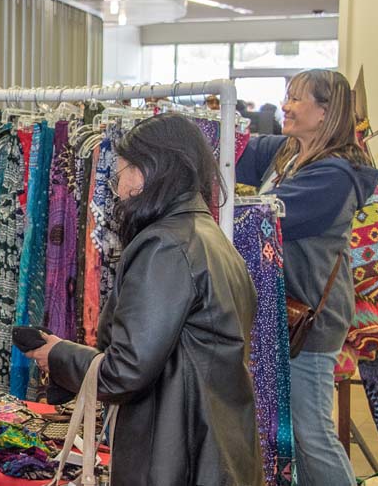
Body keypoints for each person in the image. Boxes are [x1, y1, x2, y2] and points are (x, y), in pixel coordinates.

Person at [27, 113, 264, 485]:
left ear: (147, 172)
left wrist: (57, 356)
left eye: (121, 173)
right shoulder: (211, 238)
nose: (118, 188)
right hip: (216, 447)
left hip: (178, 455)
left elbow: (127, 371)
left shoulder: (164, 246)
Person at [236, 69, 378, 485]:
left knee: (309, 431)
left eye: (296, 98)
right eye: (286, 96)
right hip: (278, 314)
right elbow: (238, 149)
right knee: (286, 432)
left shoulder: (334, 176)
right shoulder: (288, 153)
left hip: (308, 321)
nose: (285, 105)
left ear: (324, 112)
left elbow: (267, 218)